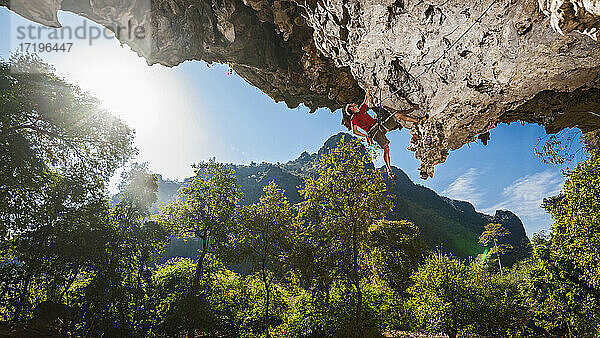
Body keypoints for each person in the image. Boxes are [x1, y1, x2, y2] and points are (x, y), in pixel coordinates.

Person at [342, 90, 425, 180]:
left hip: (380, 126)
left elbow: (366, 99)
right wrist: (365, 136)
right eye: (352, 105)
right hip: (374, 132)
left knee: (396, 115)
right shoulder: (354, 118)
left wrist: (368, 91)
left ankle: (418, 121)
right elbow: (354, 131)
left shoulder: (362, 108)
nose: (354, 104)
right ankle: (389, 169)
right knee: (386, 148)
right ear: (352, 109)